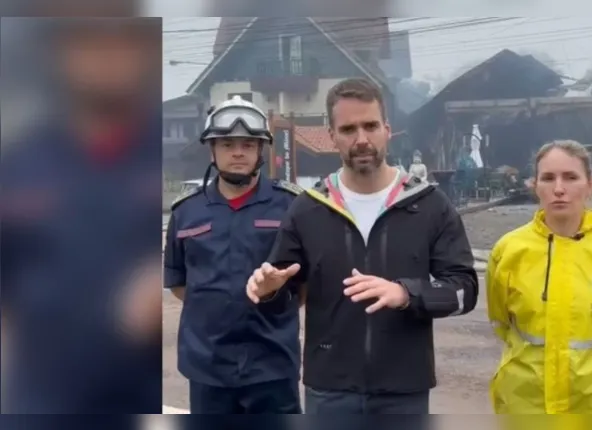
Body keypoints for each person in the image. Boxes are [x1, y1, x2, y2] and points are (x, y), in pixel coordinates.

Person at [245, 78, 479, 415]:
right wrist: (268, 291)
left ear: (387, 129)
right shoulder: (308, 208)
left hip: (404, 391)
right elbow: (282, 298)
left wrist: (406, 294)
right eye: (348, 129)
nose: (361, 140)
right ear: (331, 136)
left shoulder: (430, 205)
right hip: (329, 392)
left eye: (370, 126)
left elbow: (465, 291)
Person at [0, 17, 162, 414]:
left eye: (121, 42)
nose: (106, 59)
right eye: (89, 44)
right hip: (43, 400)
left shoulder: (163, 152)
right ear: (59, 55)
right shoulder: (19, 162)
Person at [163, 96, 303, 414]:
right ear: (212, 150)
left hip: (272, 366)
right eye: (227, 143)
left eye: (247, 144)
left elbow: (304, 285)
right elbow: (179, 283)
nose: (238, 152)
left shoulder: (291, 207)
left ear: (260, 150)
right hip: (207, 367)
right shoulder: (186, 212)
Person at [486, 140, 592, 414]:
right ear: (534, 185)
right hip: (526, 404)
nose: (559, 189)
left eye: (571, 177)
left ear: (590, 186)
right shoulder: (510, 250)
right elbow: (501, 321)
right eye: (548, 178)